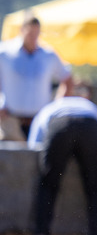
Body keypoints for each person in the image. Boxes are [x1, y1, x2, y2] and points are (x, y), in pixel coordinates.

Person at [26, 78, 97, 235]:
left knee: (48, 183)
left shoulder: (52, 106)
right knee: (95, 186)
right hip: (89, 125)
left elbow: (34, 144)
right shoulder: (90, 107)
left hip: (59, 124)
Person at [0, 12, 72, 140]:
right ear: (21, 31)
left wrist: (57, 106)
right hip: (11, 119)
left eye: (36, 33)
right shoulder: (5, 53)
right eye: (30, 33)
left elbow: (67, 79)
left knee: (37, 157)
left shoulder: (48, 55)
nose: (33, 37)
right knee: (12, 158)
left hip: (39, 119)